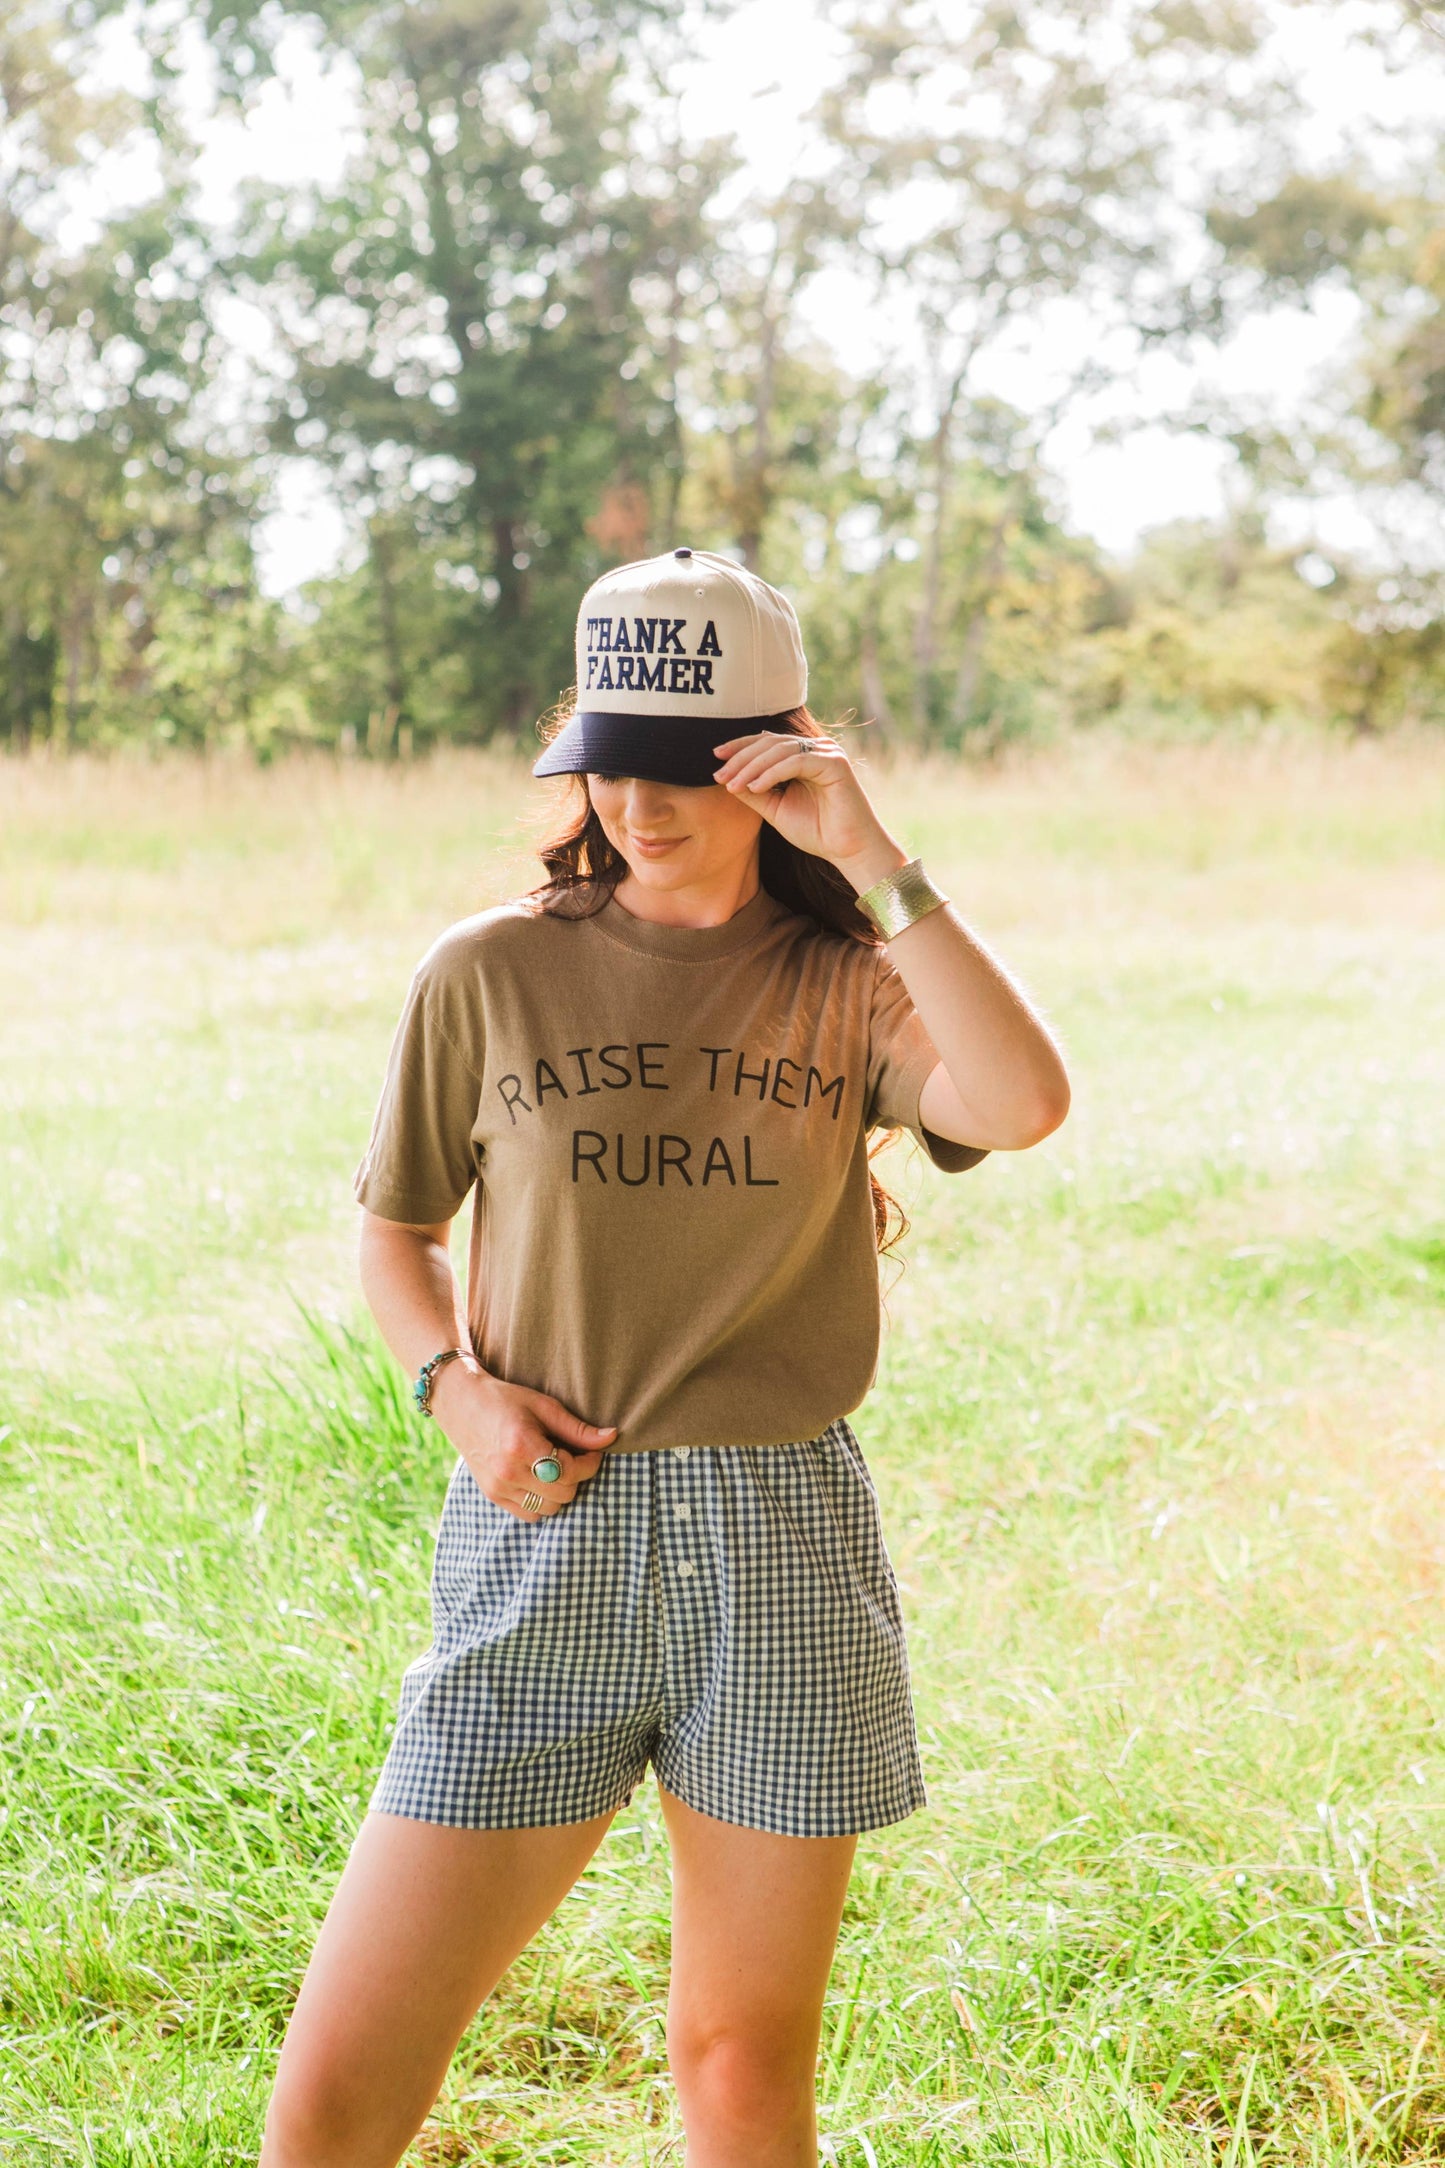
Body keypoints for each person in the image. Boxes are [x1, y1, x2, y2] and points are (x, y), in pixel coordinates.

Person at [259, 547, 1070, 2168]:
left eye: (687, 762)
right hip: (543, 1536)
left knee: (738, 2068)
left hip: (781, 1545)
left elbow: (1022, 1103)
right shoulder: (487, 971)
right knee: (340, 2083)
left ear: (777, 758)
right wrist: (452, 1390)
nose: (639, 799)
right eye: (609, 757)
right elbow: (393, 1233)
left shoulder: (847, 984)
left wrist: (877, 859)